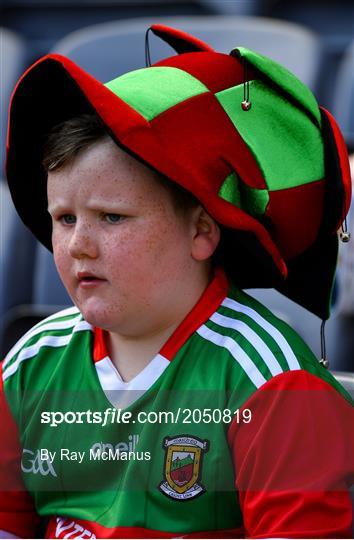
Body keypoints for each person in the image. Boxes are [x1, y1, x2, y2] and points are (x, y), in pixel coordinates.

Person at [0, 24, 353, 539]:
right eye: (65, 218)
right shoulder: (32, 363)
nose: (78, 245)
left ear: (202, 231)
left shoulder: (273, 385)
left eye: (112, 217)